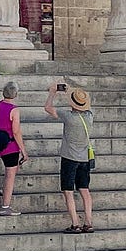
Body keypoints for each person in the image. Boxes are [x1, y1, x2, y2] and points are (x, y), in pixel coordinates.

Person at [45, 82, 94, 233]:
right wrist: (71, 92)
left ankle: (75, 223)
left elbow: (48, 108)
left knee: (68, 191)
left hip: (69, 158)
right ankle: (88, 221)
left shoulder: (68, 116)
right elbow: (84, 105)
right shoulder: (90, 116)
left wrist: (53, 92)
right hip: (84, 159)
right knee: (84, 190)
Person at [0, 81, 27, 213]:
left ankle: (3, 188)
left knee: (11, 169)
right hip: (10, 145)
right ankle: (5, 206)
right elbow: (16, 131)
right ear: (16, 94)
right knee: (11, 173)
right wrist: (23, 150)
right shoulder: (14, 109)